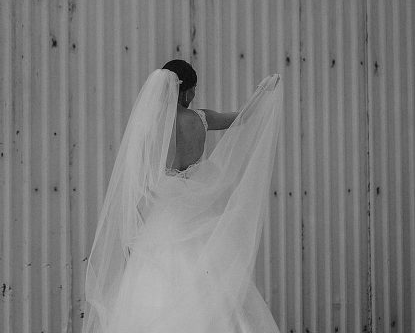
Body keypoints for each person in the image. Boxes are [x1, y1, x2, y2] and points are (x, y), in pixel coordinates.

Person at [82, 59, 283, 333]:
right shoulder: (201, 118)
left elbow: (140, 181)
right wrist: (263, 94)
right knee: (212, 287)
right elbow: (243, 118)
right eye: (194, 89)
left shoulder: (151, 127)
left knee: (153, 288)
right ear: (187, 90)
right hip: (197, 218)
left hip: (162, 221)